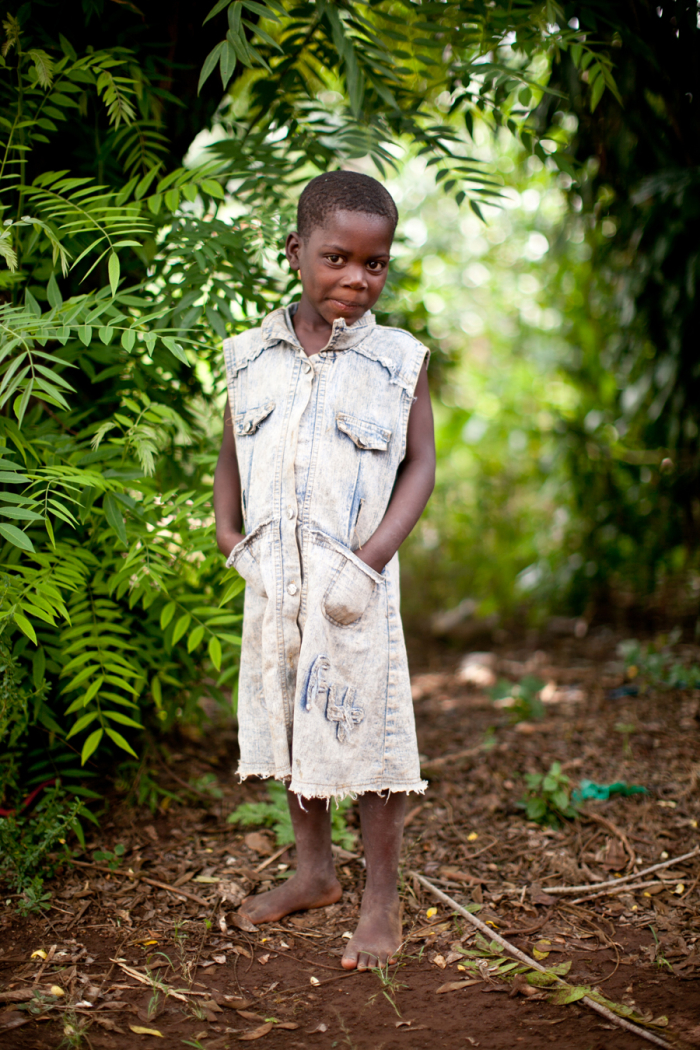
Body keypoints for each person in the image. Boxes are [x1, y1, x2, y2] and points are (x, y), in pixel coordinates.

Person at [213, 170, 435, 971]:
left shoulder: (398, 361)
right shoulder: (250, 356)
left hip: (355, 584)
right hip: (273, 575)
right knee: (287, 710)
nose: (356, 279)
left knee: (367, 727)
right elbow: (232, 447)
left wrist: (370, 561)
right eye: (337, 258)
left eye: (374, 265)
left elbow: (420, 468)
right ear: (296, 251)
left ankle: (381, 898)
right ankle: (314, 872)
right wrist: (228, 535)